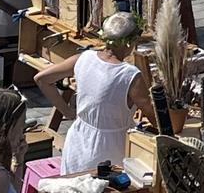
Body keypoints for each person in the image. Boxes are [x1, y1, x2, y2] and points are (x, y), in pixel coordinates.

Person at [35, 11, 155, 175]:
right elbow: (156, 119)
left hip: (78, 141)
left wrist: (67, 112)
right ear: (130, 42)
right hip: (109, 150)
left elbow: (42, 78)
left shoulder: (83, 58)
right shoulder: (129, 75)